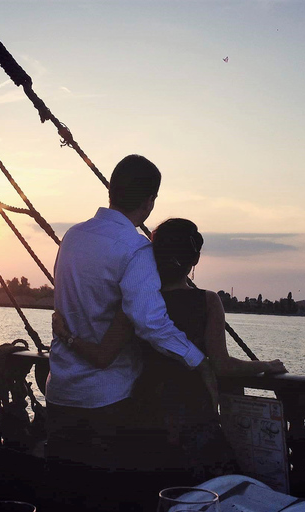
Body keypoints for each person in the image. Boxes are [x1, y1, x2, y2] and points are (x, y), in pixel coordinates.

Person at [54, 218, 288, 482]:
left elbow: (102, 355)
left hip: (144, 416)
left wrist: (66, 335)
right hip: (195, 417)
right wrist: (264, 365)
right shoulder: (208, 302)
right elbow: (222, 365)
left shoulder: (136, 304)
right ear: (194, 261)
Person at [45, 155, 212, 507]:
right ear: (150, 201)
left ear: (111, 190)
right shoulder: (136, 248)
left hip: (59, 392)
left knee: (63, 498)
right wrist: (197, 359)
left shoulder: (73, 236)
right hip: (106, 400)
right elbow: (149, 320)